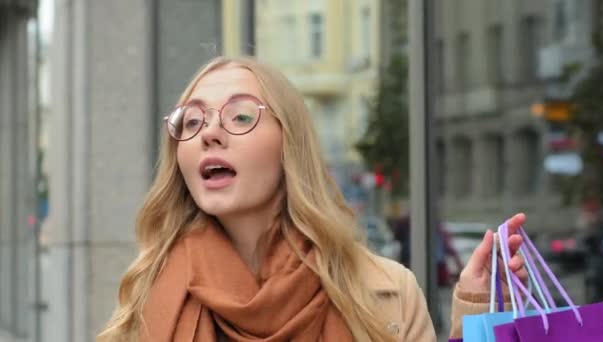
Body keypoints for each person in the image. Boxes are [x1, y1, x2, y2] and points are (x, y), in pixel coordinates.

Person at [97, 56, 527, 341]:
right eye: (192, 121)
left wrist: (476, 314)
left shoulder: (386, 290)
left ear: (290, 144)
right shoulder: (149, 292)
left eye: (240, 115)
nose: (209, 132)